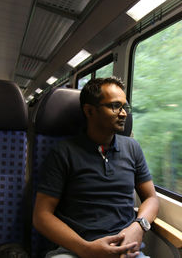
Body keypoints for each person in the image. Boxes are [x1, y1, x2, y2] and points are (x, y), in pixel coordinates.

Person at [33, 77, 159, 258]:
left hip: (124, 250)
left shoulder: (133, 148)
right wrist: (86, 248)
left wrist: (139, 225)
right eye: (115, 106)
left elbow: (151, 198)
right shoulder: (63, 153)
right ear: (89, 111)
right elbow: (42, 216)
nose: (124, 114)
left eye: (125, 107)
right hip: (76, 250)